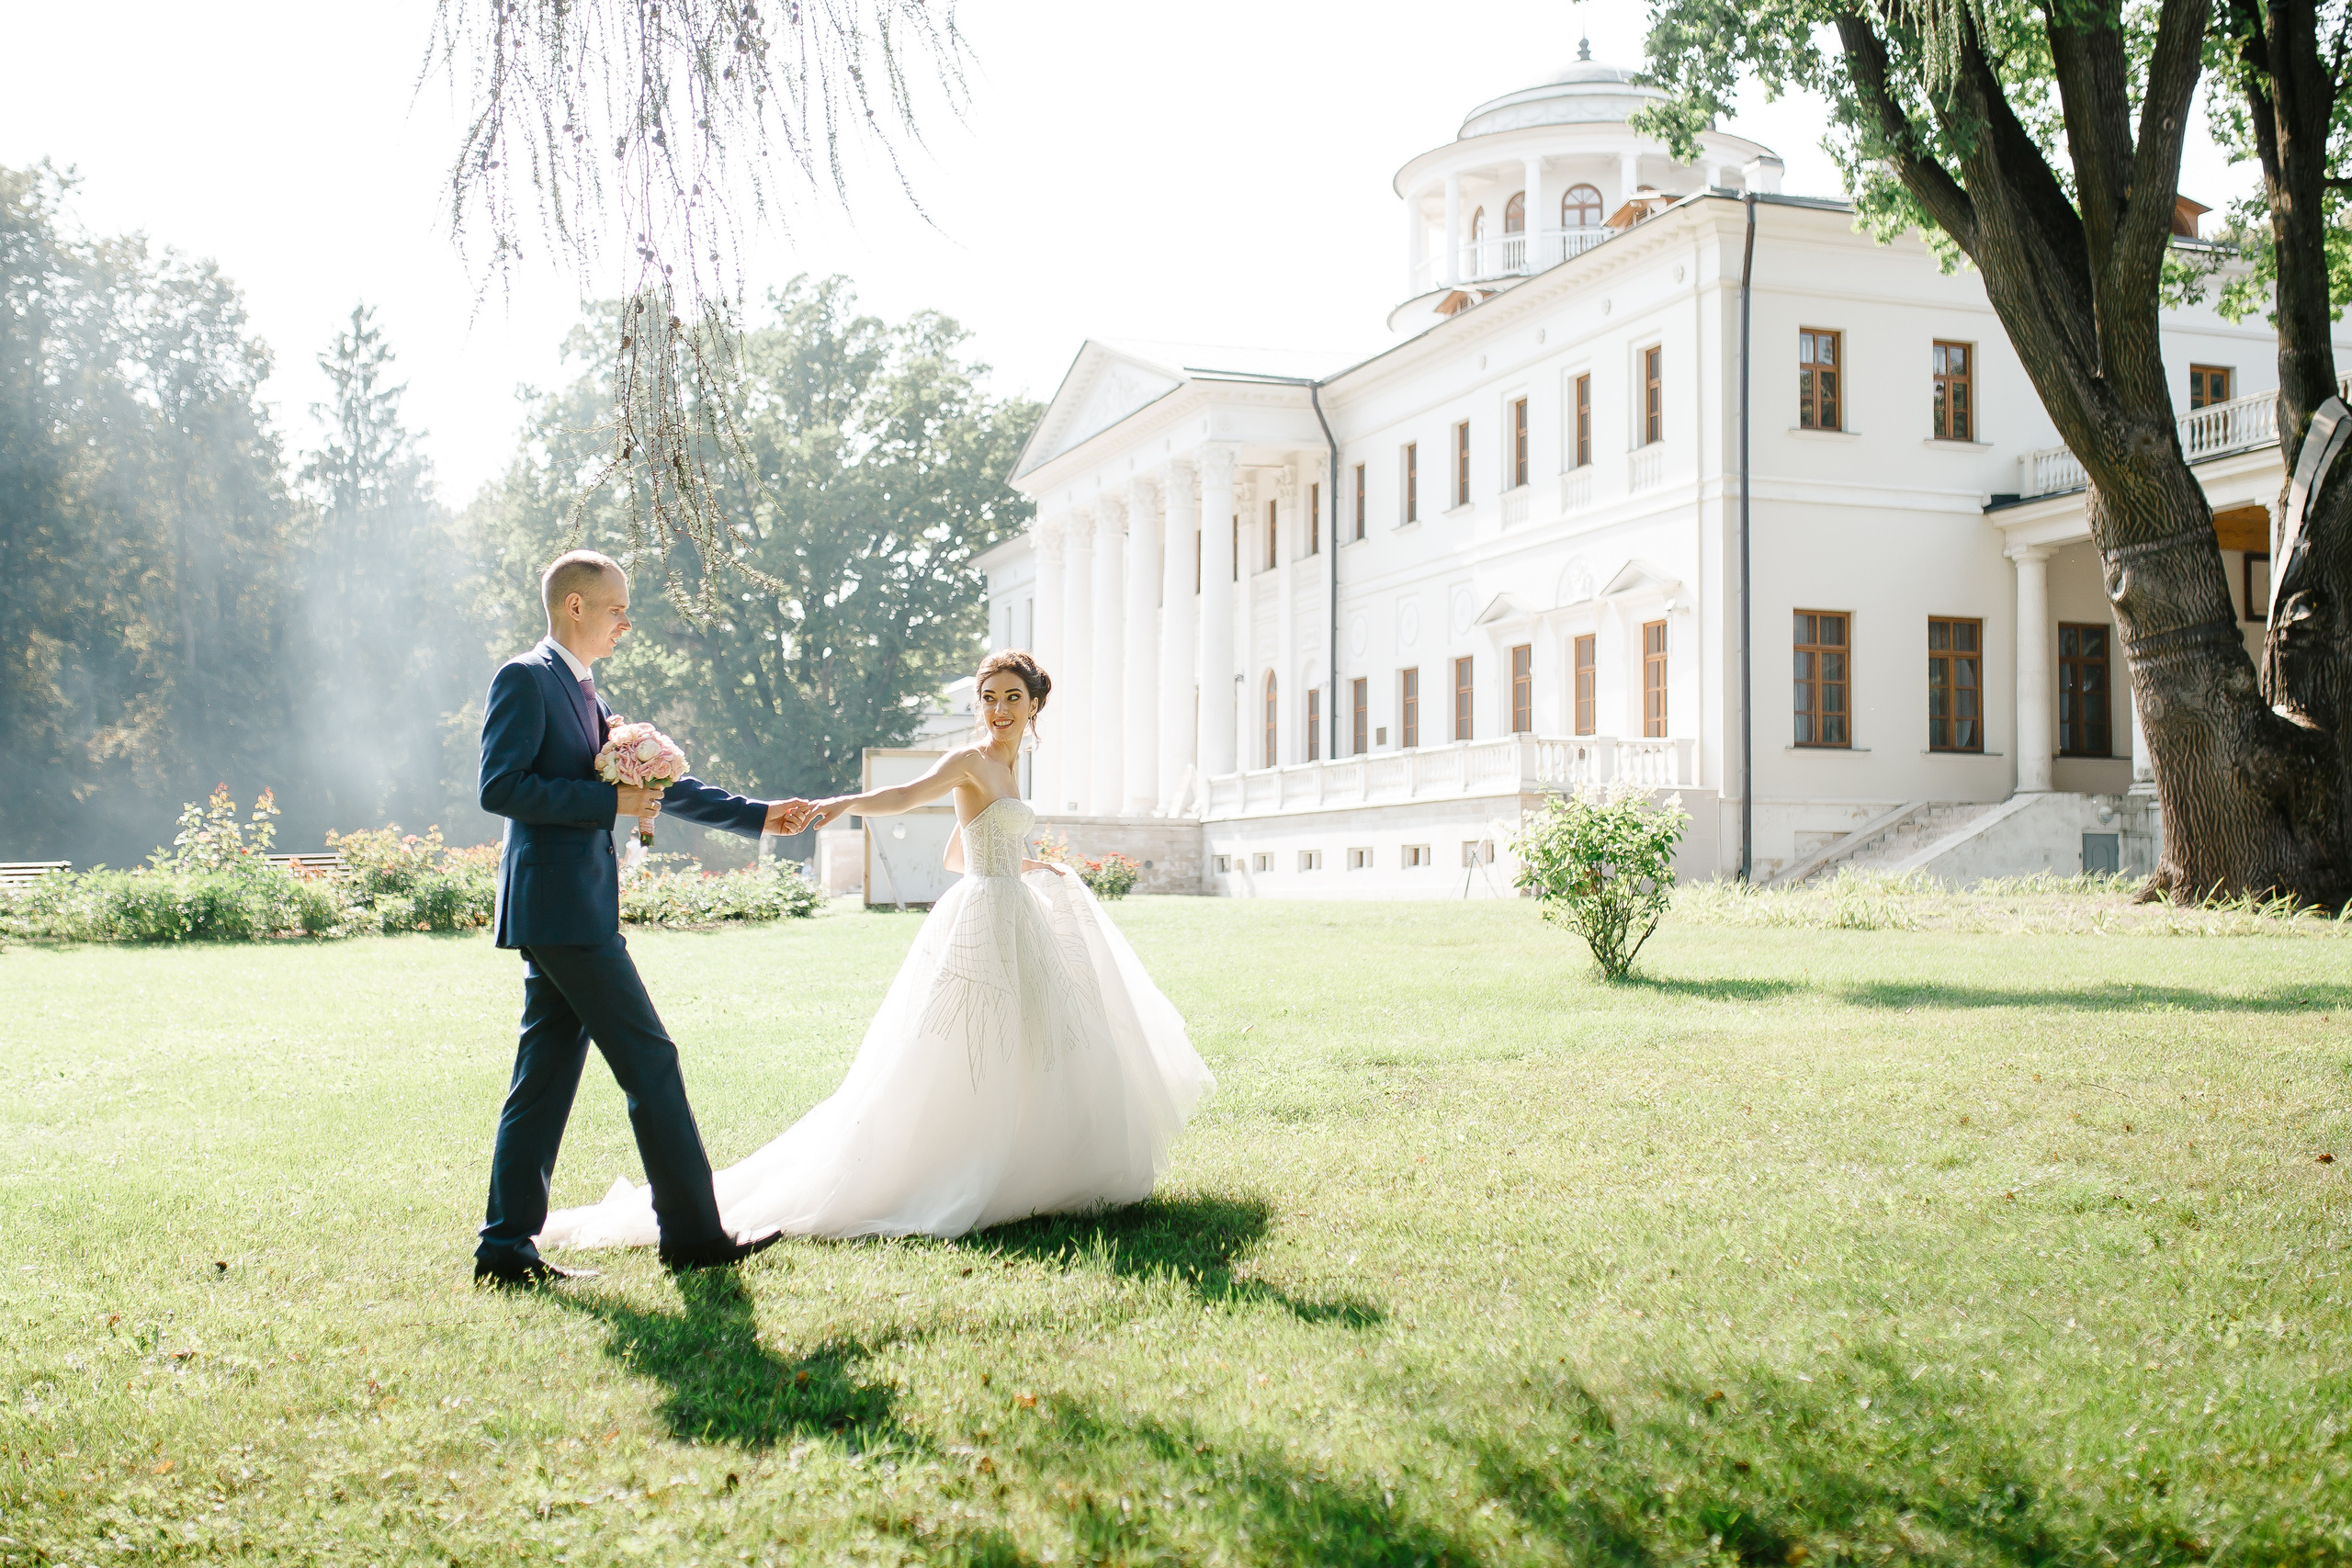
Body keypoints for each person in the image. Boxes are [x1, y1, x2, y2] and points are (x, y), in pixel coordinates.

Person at [536, 649, 1214, 1247]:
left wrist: (1032, 867)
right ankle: (953, 1169)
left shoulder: (1012, 766)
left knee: (1035, 1043)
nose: (1000, 709)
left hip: (1016, 910)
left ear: (1035, 704)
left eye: (1013, 697)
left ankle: (1032, 1166)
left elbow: (964, 846)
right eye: (989, 697)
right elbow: (904, 796)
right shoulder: (970, 759)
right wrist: (838, 804)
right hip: (982, 918)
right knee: (964, 1049)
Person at [473, 549, 813, 1285]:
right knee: (651, 1061)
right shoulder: (526, 678)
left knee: (543, 1079)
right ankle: (693, 1235)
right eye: (617, 608)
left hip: (575, 908)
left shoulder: (588, 696)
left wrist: (760, 815)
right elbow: (500, 787)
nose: (626, 621)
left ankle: (503, 1249)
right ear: (575, 606)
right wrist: (610, 804)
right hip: (560, 912)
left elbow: (661, 786)